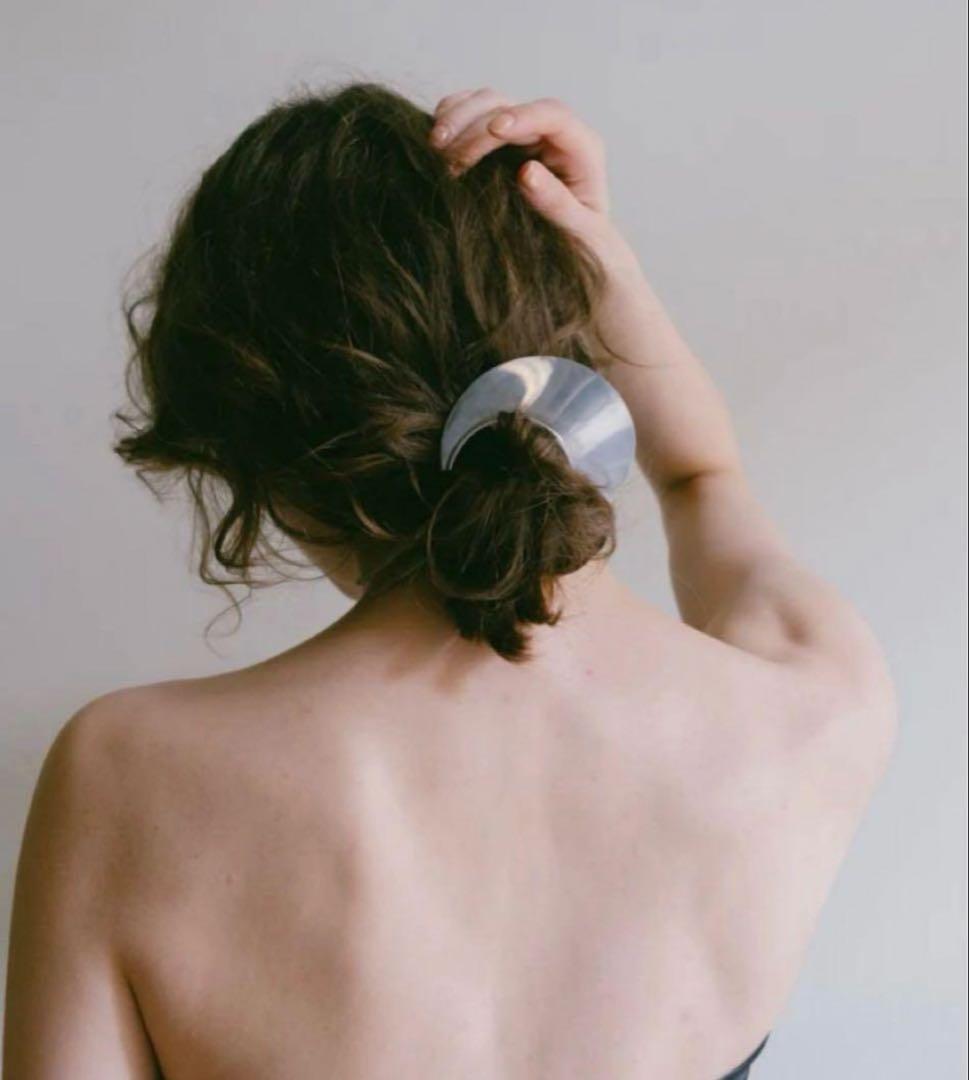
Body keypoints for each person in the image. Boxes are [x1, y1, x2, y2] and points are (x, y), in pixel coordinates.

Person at [3, 83, 897, 1079]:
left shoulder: (126, 779)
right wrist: (603, 268)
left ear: (257, 452)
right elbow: (702, 476)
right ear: (556, 345)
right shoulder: (811, 710)